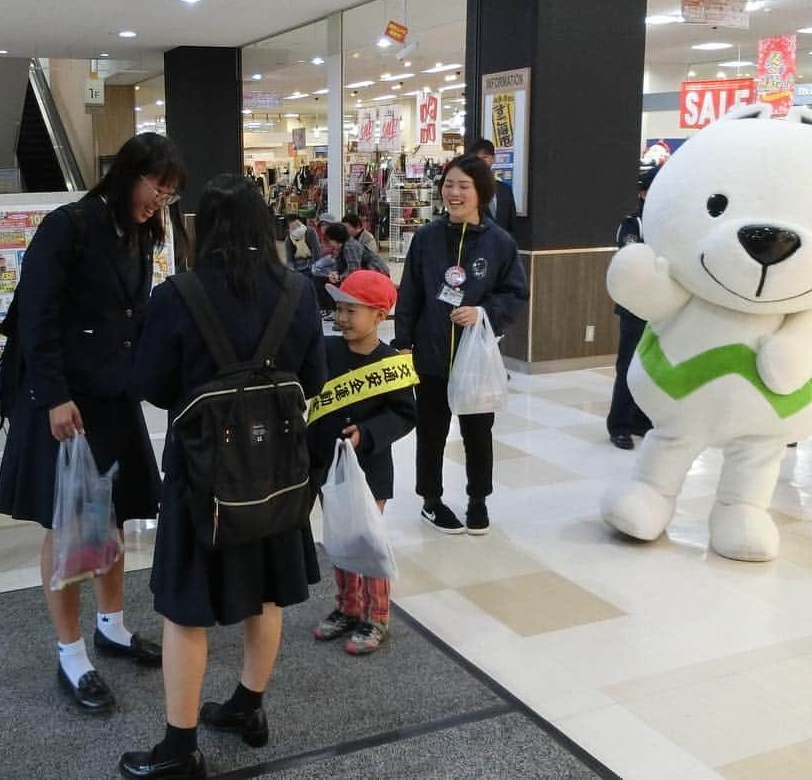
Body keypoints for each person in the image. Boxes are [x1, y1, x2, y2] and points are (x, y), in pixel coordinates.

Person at [120, 174, 327, 780]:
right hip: (278, 473)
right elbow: (312, 380)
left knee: (186, 610)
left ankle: (179, 751)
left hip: (201, 477)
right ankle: (247, 707)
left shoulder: (177, 296)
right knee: (266, 593)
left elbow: (152, 386)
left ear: (201, 229)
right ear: (266, 224)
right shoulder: (297, 290)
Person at [0, 133, 188, 715]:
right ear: (130, 173)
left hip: (114, 395)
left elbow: (133, 314)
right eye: (159, 186)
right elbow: (37, 317)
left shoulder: (140, 232)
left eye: (171, 193)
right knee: (69, 519)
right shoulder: (68, 225)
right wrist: (54, 396)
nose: (162, 200)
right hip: (63, 402)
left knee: (114, 513)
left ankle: (112, 626)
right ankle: (71, 651)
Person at [393, 154, 527, 536]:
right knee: (431, 432)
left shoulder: (500, 243)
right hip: (431, 354)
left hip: (475, 359)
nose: (453, 193)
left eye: (463, 186)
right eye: (449, 184)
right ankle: (431, 501)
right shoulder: (427, 237)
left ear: (481, 193)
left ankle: (477, 500)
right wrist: (403, 345)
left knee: (477, 432)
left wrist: (483, 311)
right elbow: (411, 294)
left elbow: (516, 292)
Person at [308, 271, 416, 655]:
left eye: (352, 310)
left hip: (370, 469)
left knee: (367, 540)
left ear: (380, 314)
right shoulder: (325, 351)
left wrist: (367, 434)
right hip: (328, 468)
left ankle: (376, 616)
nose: (342, 318)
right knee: (339, 539)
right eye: (338, 309)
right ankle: (346, 607)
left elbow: (405, 414)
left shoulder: (392, 364)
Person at [606, 166, 658, 450]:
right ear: (642, 193)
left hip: (662, 308)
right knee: (628, 366)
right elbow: (631, 259)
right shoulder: (633, 224)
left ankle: (641, 419)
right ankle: (619, 425)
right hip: (635, 305)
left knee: (651, 367)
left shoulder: (670, 222)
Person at [468, 139, 516, 238]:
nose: (481, 161)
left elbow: (512, 225)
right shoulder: (467, 190)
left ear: (493, 159)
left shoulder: (505, 190)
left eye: (485, 157)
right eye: (477, 158)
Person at [323, 221, 390, 283]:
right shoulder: (342, 247)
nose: (329, 244)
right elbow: (342, 267)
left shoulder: (350, 246)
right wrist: (335, 273)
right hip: (370, 276)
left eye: (329, 240)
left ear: (335, 238)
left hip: (379, 277)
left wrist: (339, 277)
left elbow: (354, 271)